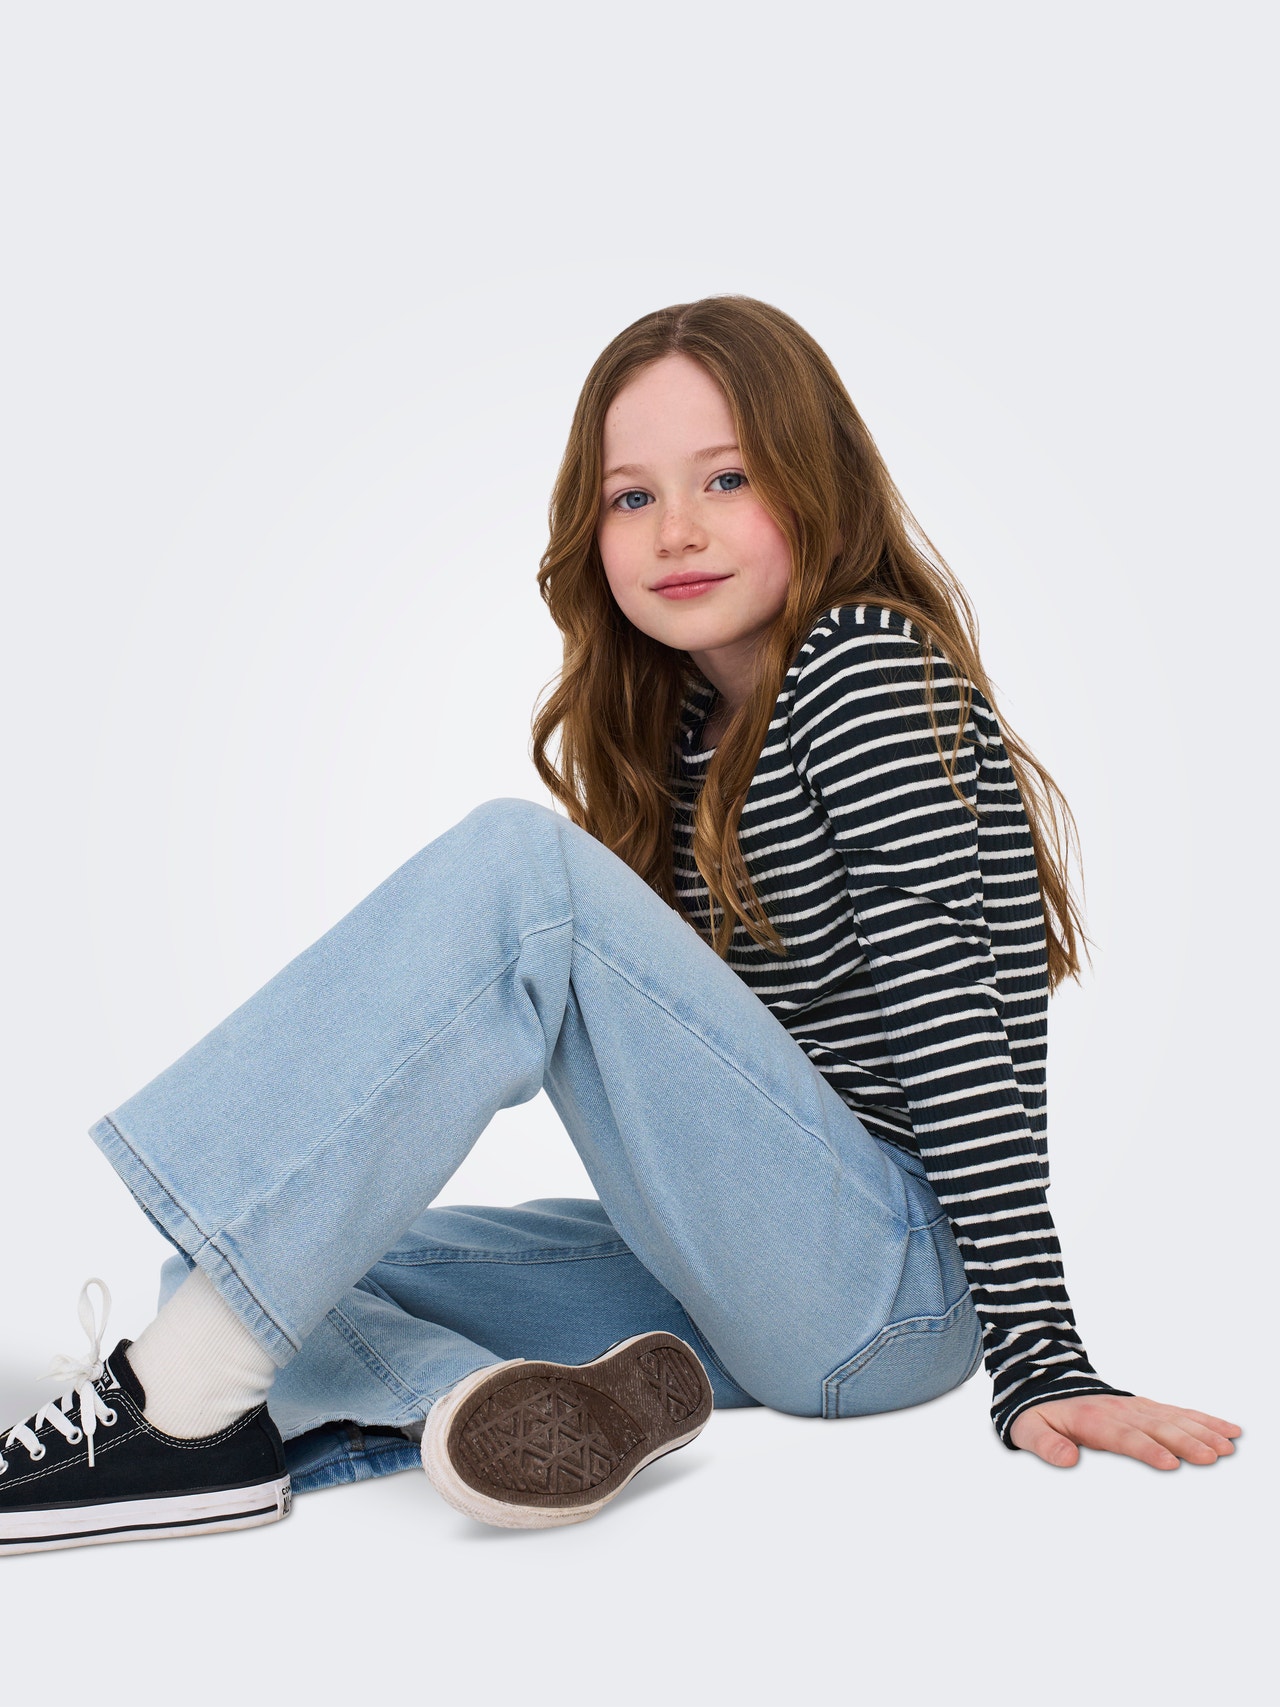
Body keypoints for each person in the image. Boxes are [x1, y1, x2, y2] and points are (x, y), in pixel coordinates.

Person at [0, 296, 1240, 1554]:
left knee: (517, 877)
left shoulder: (863, 670)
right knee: (261, 1263)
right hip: (755, 1284)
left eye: (726, 478)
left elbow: (951, 1030)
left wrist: (1041, 1352)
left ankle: (172, 1413)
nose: (674, 530)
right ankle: (469, 1410)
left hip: (889, 1286)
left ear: (818, 484)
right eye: (630, 497)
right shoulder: (689, 733)